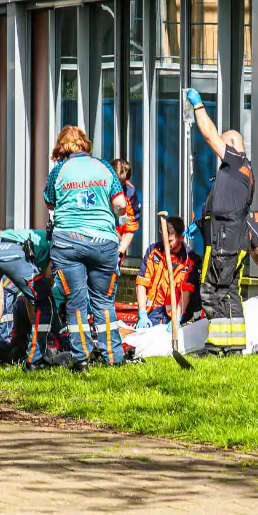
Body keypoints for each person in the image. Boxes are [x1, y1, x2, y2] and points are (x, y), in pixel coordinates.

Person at [44, 126, 129, 372]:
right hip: (103, 242)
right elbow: (121, 205)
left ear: (62, 148)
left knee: (76, 301)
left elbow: (49, 201)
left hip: (68, 242)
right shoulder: (104, 167)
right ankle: (113, 357)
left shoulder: (59, 170)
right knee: (104, 301)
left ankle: (81, 359)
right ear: (85, 144)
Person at [186, 88, 257, 355]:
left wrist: (198, 106)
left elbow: (208, 134)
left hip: (225, 237)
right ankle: (234, 345)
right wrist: (203, 219)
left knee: (212, 289)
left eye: (225, 146)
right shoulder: (243, 171)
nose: (220, 153)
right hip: (232, 235)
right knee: (229, 290)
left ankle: (215, 347)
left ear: (234, 146)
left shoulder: (236, 159)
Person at [0, 229, 57, 371]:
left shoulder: (27, 235)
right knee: (44, 303)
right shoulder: (49, 246)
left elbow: (28, 297)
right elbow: (35, 296)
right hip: (12, 252)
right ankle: (34, 361)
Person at [135, 216, 201, 329]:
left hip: (177, 313)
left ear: (181, 237)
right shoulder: (153, 252)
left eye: (170, 241)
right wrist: (142, 313)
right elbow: (141, 283)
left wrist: (177, 318)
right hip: (152, 312)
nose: (166, 243)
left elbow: (186, 292)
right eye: (164, 238)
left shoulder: (191, 260)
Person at [112, 159, 142, 263]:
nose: (119, 186)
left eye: (122, 182)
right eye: (116, 181)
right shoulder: (100, 188)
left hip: (117, 242)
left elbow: (131, 224)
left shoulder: (130, 192)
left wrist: (121, 249)